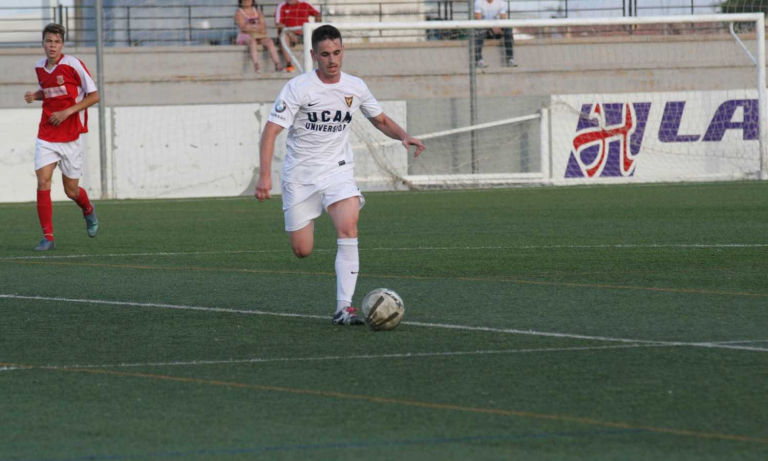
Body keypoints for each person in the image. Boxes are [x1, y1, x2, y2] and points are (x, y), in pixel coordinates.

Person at [255, 25, 425, 326]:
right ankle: (309, 225)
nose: (332, 60)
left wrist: (403, 136)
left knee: (348, 226)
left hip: (338, 170)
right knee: (302, 250)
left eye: (336, 53)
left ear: (342, 51)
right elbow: (270, 133)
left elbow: (380, 119)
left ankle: (343, 308)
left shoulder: (355, 87)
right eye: (325, 55)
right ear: (313, 56)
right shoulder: (298, 88)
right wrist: (265, 177)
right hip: (300, 176)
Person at [24, 23, 100, 251]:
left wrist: (67, 112)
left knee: (71, 191)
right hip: (47, 134)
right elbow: (49, 92)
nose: (52, 46)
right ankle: (48, 237)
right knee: (43, 181)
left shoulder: (73, 64)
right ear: (43, 44)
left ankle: (87, 209)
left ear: (62, 44)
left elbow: (94, 95)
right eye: (49, 41)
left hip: (71, 135)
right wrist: (35, 95)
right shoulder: (39, 67)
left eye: (57, 42)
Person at [235, 0, 283, 73]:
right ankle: (256, 64)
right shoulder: (239, 13)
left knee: (269, 41)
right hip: (246, 36)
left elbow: (263, 26)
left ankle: (277, 63)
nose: (247, 1)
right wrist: (256, 27)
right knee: (252, 42)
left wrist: (251, 27)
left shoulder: (258, 12)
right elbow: (243, 28)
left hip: (259, 35)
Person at [275, 0, 321, 73]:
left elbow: (318, 14)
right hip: (290, 35)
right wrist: (290, 32)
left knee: (320, 38)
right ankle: (289, 65)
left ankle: (318, 65)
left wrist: (316, 26)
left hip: (305, 34)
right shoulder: (282, 6)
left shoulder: (305, 4)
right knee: (284, 36)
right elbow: (278, 24)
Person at [474, 0, 516, 68]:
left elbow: (504, 20)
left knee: (508, 28)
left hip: (494, 29)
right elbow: (478, 20)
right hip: (483, 29)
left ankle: (510, 59)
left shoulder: (500, 2)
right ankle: (479, 60)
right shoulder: (478, 2)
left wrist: (499, 27)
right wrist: (492, 26)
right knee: (479, 29)